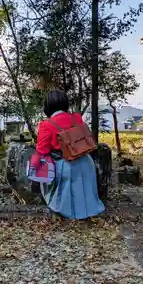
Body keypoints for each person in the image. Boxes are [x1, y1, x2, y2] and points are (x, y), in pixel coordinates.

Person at [35, 89, 105, 219]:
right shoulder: (76, 118)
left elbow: (41, 151)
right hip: (86, 162)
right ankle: (90, 208)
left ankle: (64, 208)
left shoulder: (46, 125)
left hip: (66, 165)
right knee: (83, 184)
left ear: (47, 105)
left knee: (41, 167)